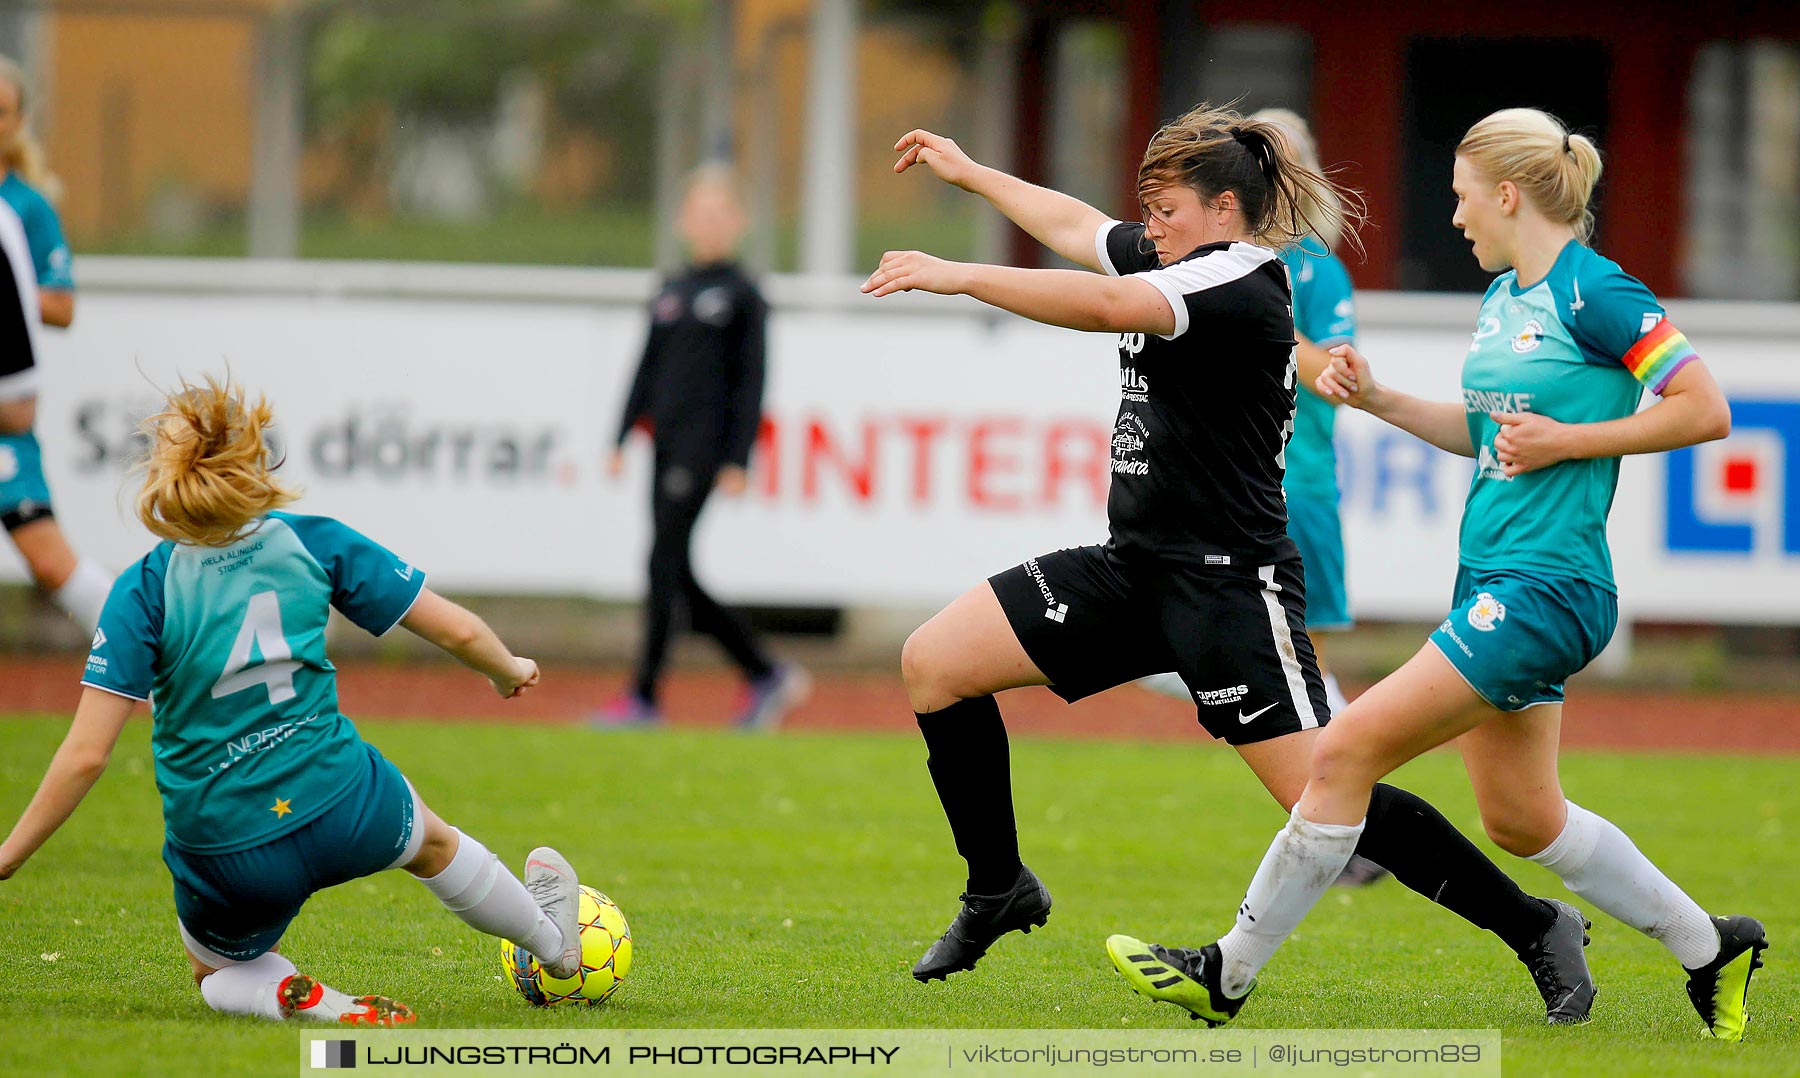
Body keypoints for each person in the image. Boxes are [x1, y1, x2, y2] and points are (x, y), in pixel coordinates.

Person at [865, 103, 1593, 1025]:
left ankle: (1535, 926)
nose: (1147, 226)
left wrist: (957, 274)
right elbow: (1075, 228)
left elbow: (1099, 304)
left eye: (1164, 209)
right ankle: (998, 888)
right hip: (1131, 569)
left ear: (1221, 210)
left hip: (1228, 589)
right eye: (1148, 209)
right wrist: (970, 171)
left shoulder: (1242, 286)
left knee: (1332, 795)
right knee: (935, 663)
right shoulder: (1179, 254)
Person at [1105, 108, 1765, 1042]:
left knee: (1339, 753)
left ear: (1506, 195)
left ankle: (1228, 971)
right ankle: (1712, 945)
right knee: (1523, 819)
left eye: (1461, 199)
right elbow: (1486, 434)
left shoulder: (1596, 293)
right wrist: (1375, 396)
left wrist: (1574, 439)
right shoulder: (1505, 302)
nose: (1455, 219)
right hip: (1493, 579)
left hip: (1547, 589)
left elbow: (1705, 408)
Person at [0, 377, 587, 1025]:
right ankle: (555, 948)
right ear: (257, 458)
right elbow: (459, 629)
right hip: (342, 800)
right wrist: (508, 669)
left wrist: (8, 855)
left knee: (215, 970)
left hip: (225, 842)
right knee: (436, 846)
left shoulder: (144, 589)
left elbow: (86, 755)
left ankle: (291, 995)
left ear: (162, 476)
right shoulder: (310, 540)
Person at [1134, 108, 1389, 888]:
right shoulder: (1202, 257)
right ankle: (1347, 814)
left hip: (1286, 490)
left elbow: (1335, 379)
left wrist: (1254, 313)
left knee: (1276, 667)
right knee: (1222, 658)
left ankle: (1358, 818)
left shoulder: (1308, 270)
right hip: (1224, 502)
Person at [597, 165, 807, 730]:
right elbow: (645, 368)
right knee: (673, 569)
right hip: (664, 445)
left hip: (703, 449)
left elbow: (751, 382)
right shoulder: (670, 290)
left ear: (737, 223)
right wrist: (621, 434)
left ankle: (645, 696)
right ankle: (763, 671)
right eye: (701, 213)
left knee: (663, 563)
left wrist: (738, 459)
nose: (710, 224)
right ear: (683, 220)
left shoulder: (744, 295)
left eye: (721, 214)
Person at [0, 55, 108, 635]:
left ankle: (161, 651)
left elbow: (61, 305)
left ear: (19, 122)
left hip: (5, 412)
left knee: (47, 560)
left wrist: (11, 291)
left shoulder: (25, 210)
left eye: (1, 111)